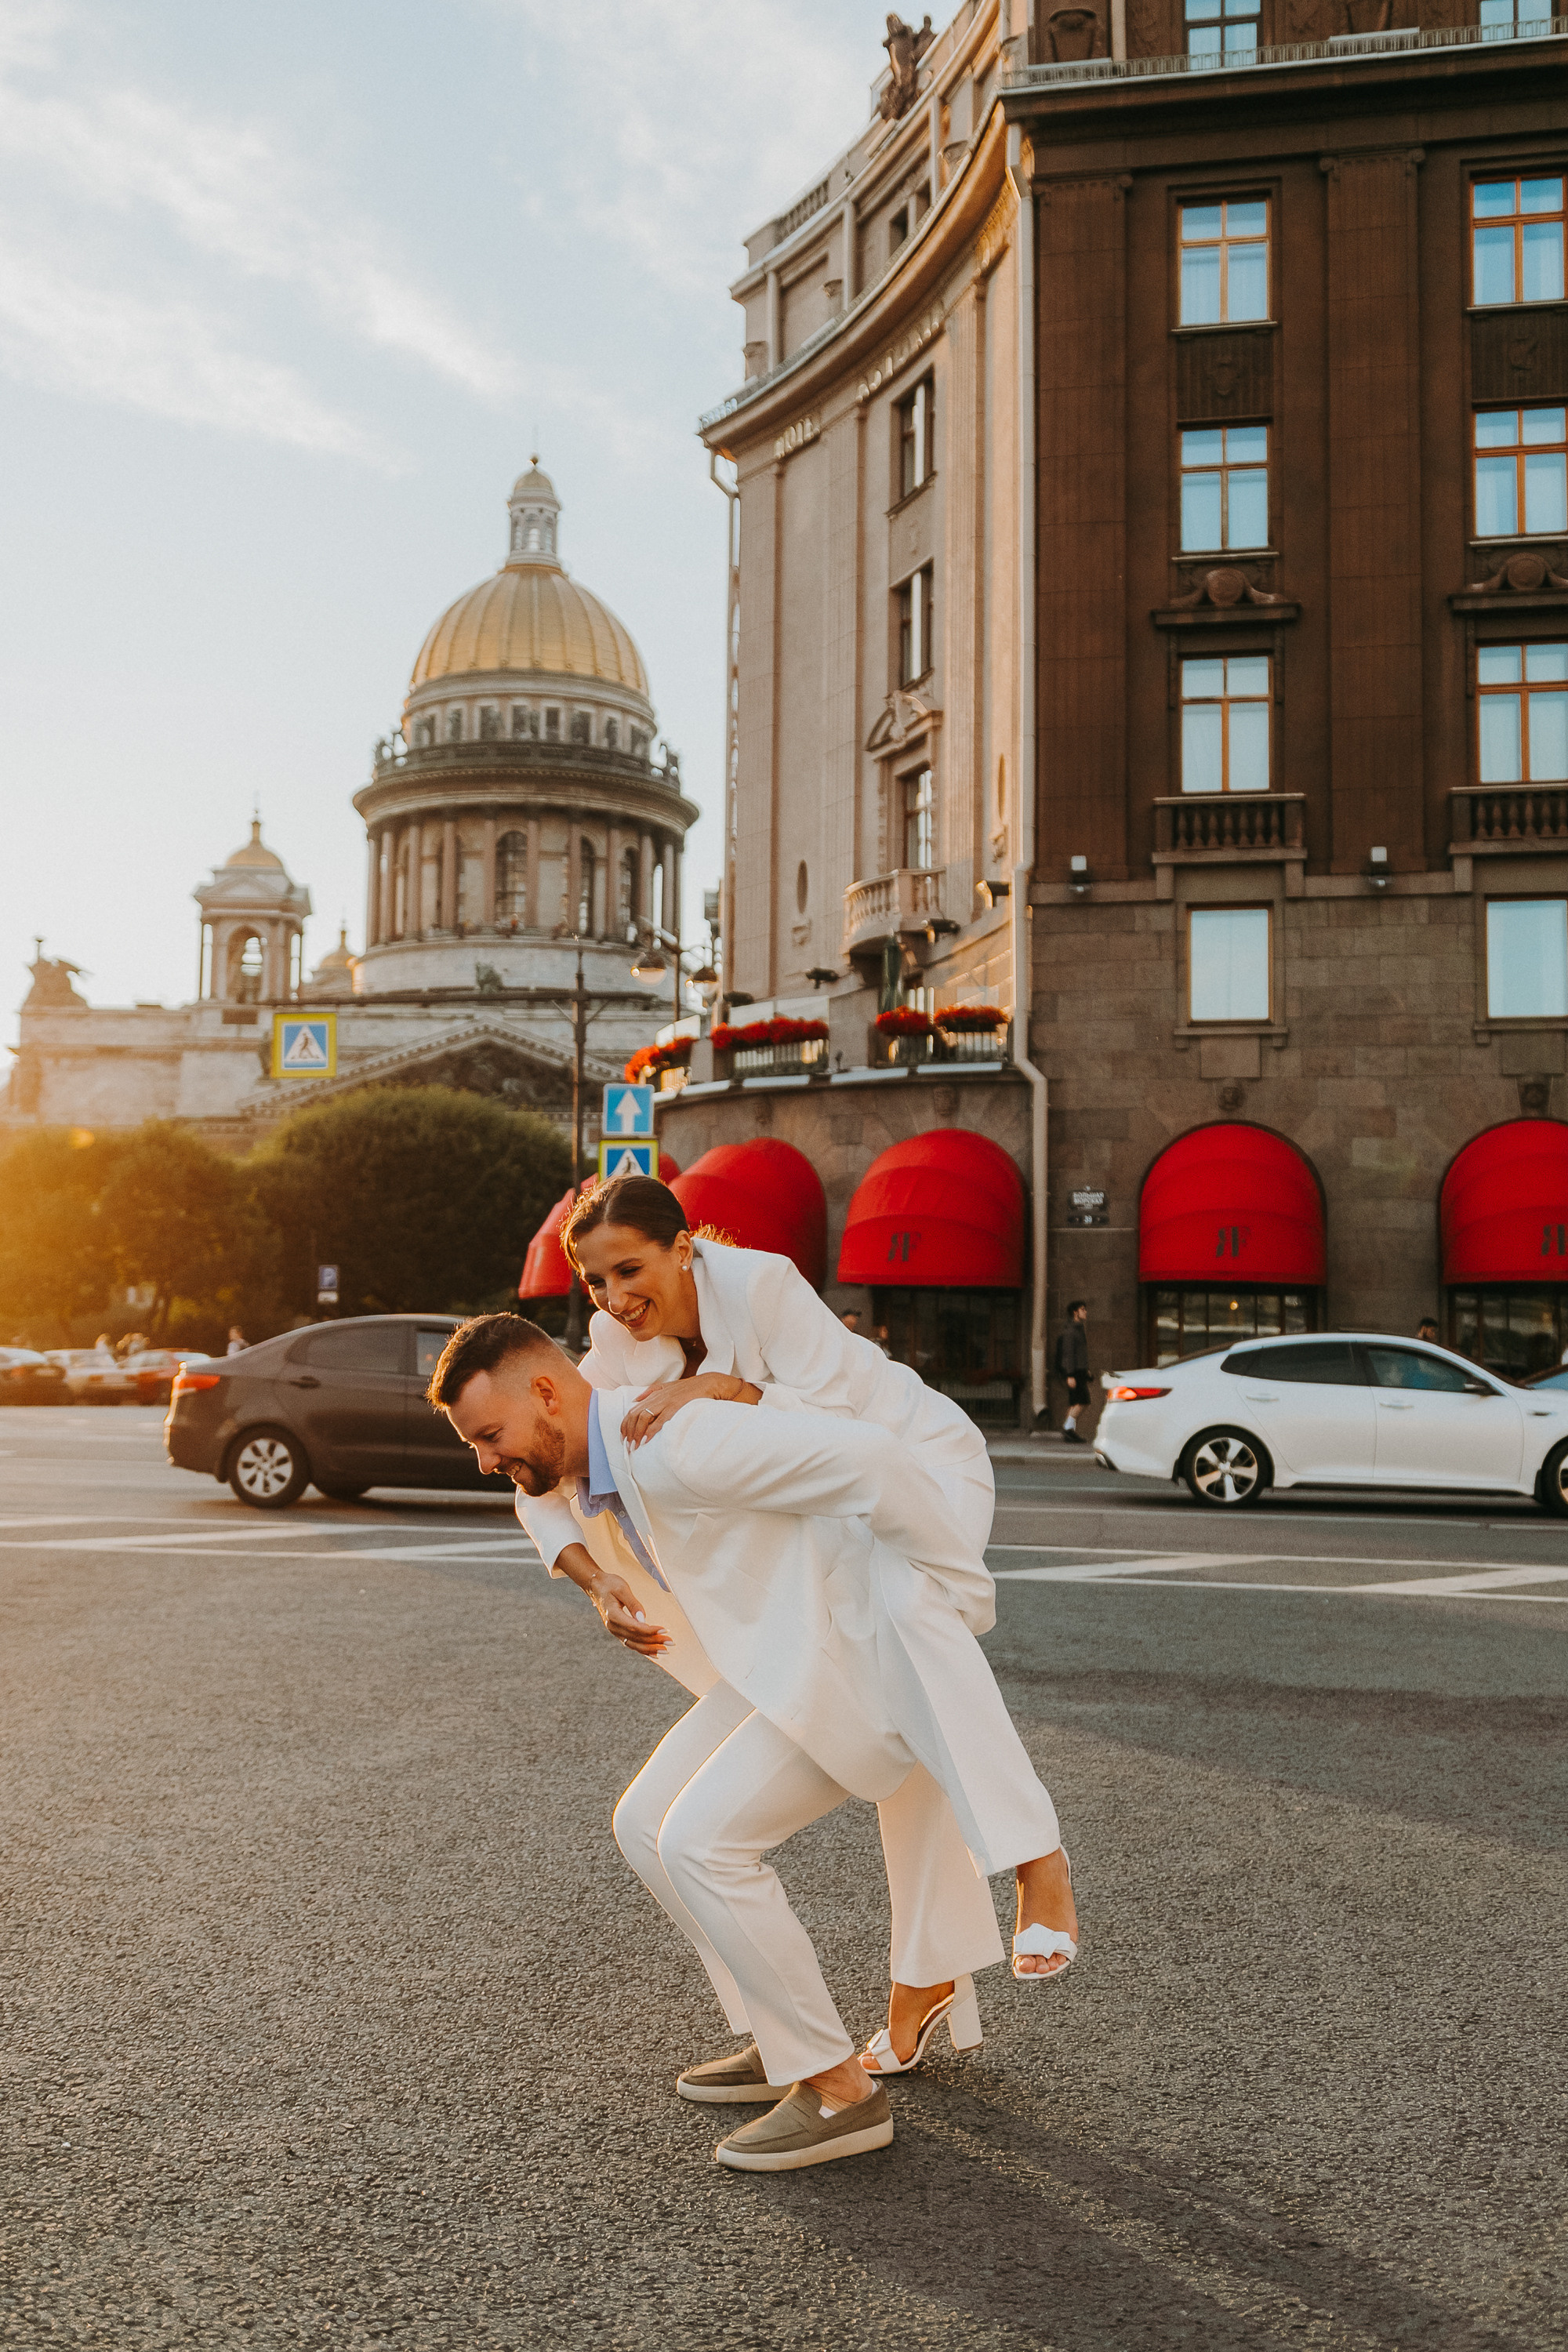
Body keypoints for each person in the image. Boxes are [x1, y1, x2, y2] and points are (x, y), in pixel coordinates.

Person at [434, 1312, 1076, 2173]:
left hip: (845, 1665)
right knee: (643, 1825)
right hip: (775, 1662)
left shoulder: (678, 1442)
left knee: (701, 1843)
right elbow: (535, 1494)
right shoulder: (590, 1447)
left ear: (547, 1393)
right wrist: (596, 1585)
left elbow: (873, 1464)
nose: (484, 1461)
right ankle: (788, 2041)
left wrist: (959, 1597)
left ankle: (838, 2092)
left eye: (488, 1435)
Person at [511, 1174, 1076, 2078]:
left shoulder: (763, 1282)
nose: (615, 1300)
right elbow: (545, 1452)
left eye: (629, 1270)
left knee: (905, 1612)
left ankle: (1033, 1859)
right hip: (831, 1505)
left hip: (921, 1461)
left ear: (682, 1247)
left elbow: (848, 1427)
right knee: (898, 1713)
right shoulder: (617, 1337)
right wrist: (589, 1578)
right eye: (594, 1284)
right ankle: (910, 1992)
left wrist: (719, 1388)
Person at [1056, 1300, 1091, 1442]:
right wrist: (1070, 1375)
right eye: (1083, 1309)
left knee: (1074, 1402)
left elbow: (1080, 1353)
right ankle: (1067, 1429)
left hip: (1080, 1371)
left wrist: (1086, 1369)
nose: (1085, 1312)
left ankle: (1070, 1432)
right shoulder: (1071, 1331)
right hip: (1074, 1372)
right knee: (1082, 1401)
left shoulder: (1078, 1328)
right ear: (1075, 1312)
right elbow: (1069, 1354)